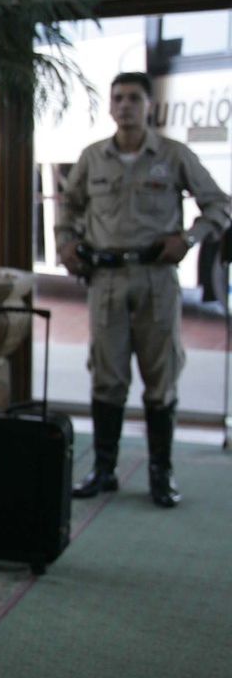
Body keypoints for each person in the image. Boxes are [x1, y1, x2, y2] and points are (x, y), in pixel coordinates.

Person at [56, 71, 230, 508]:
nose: (125, 105)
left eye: (134, 98)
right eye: (118, 98)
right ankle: (104, 469)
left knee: (161, 377)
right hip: (106, 281)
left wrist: (188, 238)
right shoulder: (93, 157)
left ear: (149, 105)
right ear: (110, 106)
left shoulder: (172, 155)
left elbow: (219, 204)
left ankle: (160, 473)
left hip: (156, 279)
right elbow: (68, 205)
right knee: (107, 376)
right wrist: (66, 243)